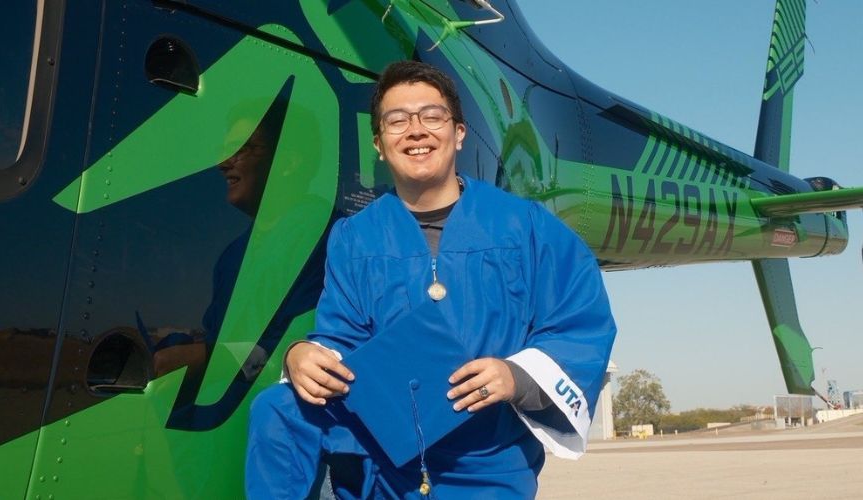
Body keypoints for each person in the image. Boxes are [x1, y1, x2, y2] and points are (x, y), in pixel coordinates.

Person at [246, 60, 616, 498]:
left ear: (458, 133)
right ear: (380, 144)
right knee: (278, 406)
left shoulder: (526, 227)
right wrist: (303, 355)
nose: (416, 130)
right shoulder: (355, 237)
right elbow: (343, 336)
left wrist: (515, 375)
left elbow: (579, 322)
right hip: (384, 457)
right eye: (396, 120)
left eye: (432, 116)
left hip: (485, 461)